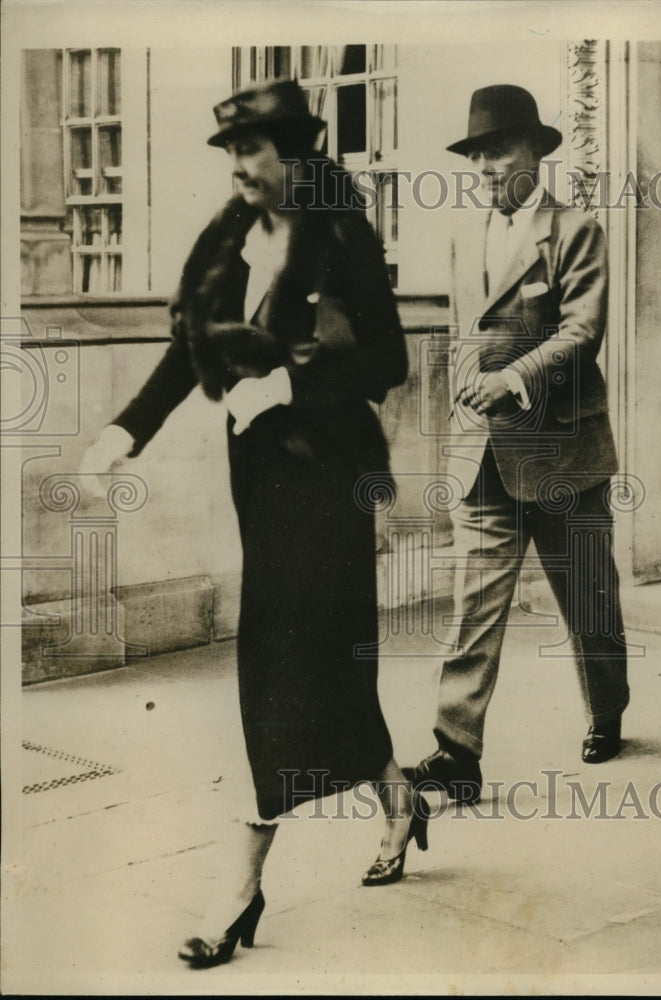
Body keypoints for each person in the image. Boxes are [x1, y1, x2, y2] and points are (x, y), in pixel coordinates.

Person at [80, 79, 428, 969]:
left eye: (253, 152)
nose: (238, 167)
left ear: (296, 157)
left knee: (275, 663)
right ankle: (399, 800)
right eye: (231, 153)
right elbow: (186, 344)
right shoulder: (230, 242)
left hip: (334, 482)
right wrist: (127, 428)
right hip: (264, 487)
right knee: (325, 663)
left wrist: (290, 384)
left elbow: (386, 357)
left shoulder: (340, 238)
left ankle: (240, 887)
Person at [406, 84, 630, 805]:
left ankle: (607, 712)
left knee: (588, 599)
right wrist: (470, 392)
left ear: (535, 150)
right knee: (474, 605)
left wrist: (512, 380)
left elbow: (581, 331)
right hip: (483, 453)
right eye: (475, 155)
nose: (484, 167)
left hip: (562, 450)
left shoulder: (575, 229)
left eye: (497, 151)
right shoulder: (463, 233)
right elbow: (460, 333)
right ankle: (455, 753)